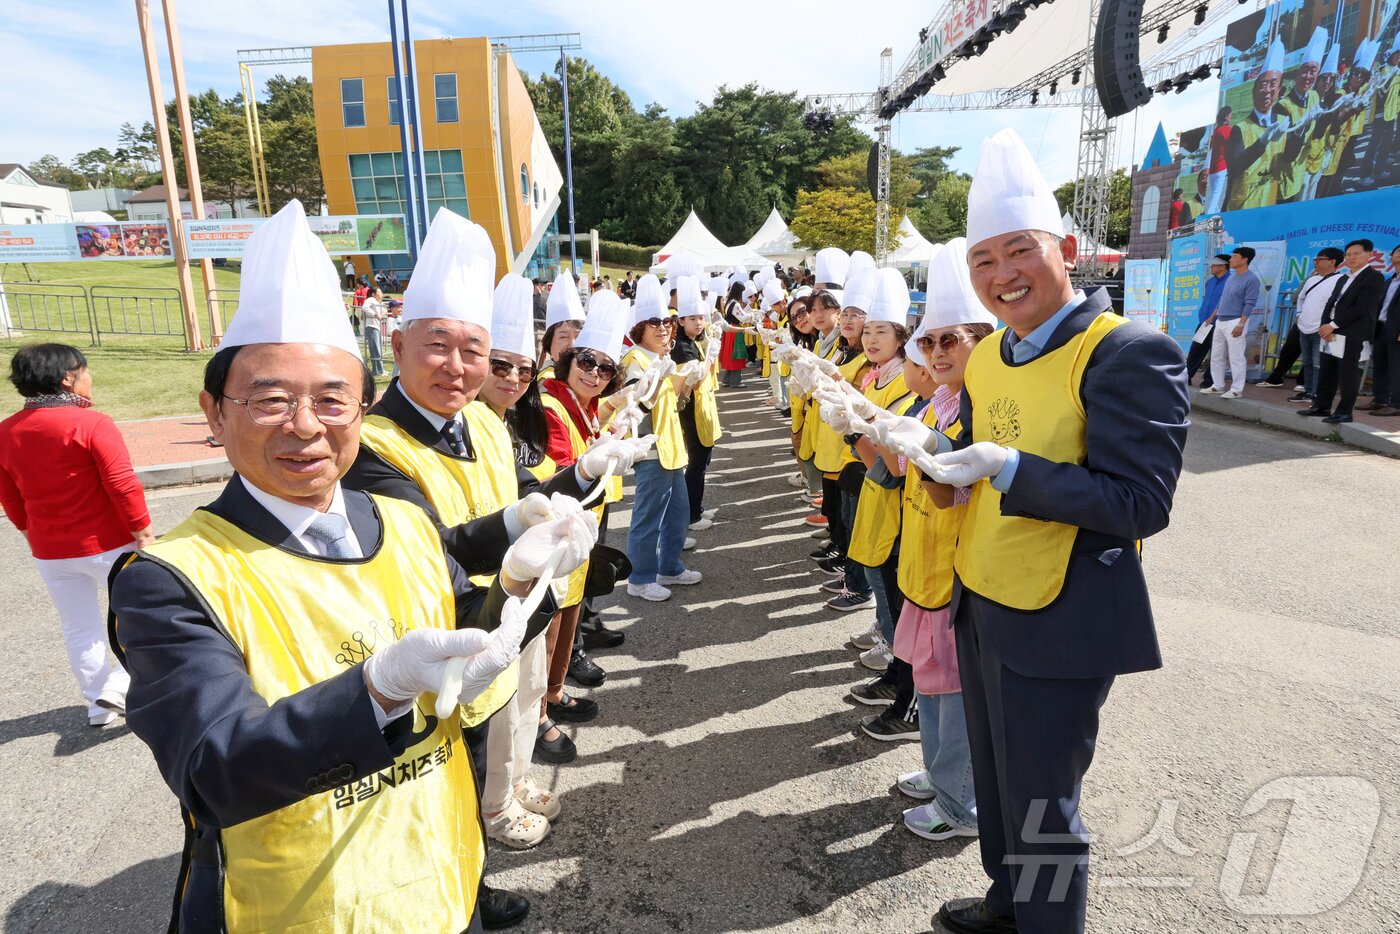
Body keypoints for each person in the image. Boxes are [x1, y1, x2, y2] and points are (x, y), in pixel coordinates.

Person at [109, 200, 598, 932]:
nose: (306, 425)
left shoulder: (401, 522)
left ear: (359, 406)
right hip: (302, 908)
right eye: (270, 399)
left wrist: (519, 584)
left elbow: (460, 651)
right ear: (215, 413)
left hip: (439, 878)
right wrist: (374, 690)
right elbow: (214, 769)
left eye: (331, 399)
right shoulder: (170, 577)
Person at [901, 128, 1188, 934]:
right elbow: (977, 456)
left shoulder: (1128, 351)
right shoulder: (989, 357)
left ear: (1066, 248)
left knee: (1045, 806)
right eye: (983, 261)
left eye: (1017, 252)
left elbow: (1140, 503)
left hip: (1063, 615)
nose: (1000, 276)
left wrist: (1011, 469)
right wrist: (941, 461)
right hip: (982, 596)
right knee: (997, 784)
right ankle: (1007, 903)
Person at [343, 209, 645, 926]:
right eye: (438, 344)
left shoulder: (478, 420)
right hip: (435, 646)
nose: (459, 366)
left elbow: (524, 501)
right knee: (437, 789)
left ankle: (468, 887)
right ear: (396, 342)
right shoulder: (374, 445)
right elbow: (436, 544)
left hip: (500, 623)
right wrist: (517, 534)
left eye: (473, 350)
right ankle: (462, 898)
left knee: (472, 776)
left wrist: (579, 480)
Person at [890, 240, 996, 843]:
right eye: (926, 342)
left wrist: (927, 454)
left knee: (954, 693)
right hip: (926, 566)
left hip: (962, 574)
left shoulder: (982, 408)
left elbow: (951, 487)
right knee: (931, 682)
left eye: (949, 339)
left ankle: (962, 805)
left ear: (982, 339)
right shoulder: (939, 401)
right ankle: (940, 775)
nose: (935, 353)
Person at [0, 344, 153, 727]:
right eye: (84, 370)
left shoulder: (5, 432)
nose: (90, 377)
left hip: (50, 548)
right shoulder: (92, 424)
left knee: (78, 625)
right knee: (141, 616)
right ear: (67, 377)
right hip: (110, 542)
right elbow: (121, 483)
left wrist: (27, 531)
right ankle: (124, 688)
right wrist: (143, 530)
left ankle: (99, 703)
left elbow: (9, 494)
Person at [622, 274, 698, 602]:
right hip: (650, 450)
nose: (663, 327)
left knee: (678, 513)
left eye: (667, 321)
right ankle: (639, 578)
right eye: (654, 322)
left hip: (671, 448)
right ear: (639, 327)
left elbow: (673, 401)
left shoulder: (658, 358)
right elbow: (638, 401)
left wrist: (688, 380)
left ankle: (669, 566)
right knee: (649, 516)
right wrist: (663, 376)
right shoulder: (634, 360)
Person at [1303, 238, 1388, 423]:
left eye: (1356, 254)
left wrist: (1332, 325)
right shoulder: (1343, 277)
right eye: (1348, 254)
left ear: (1369, 255)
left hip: (1352, 333)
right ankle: (1321, 406)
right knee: (1327, 370)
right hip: (1330, 332)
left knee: (1347, 373)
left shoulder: (1374, 277)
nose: (1351, 257)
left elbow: (1362, 307)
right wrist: (1325, 325)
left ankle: (1344, 412)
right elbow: (1331, 303)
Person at [670, 277, 724, 532]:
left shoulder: (691, 342)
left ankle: (697, 507)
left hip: (702, 411)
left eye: (701, 318)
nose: (699, 323)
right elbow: (696, 380)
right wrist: (711, 356)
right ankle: (691, 515)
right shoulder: (682, 348)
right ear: (681, 321)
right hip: (690, 415)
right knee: (696, 464)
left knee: (702, 462)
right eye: (692, 318)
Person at [1258, 248, 1342, 399]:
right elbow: (1300, 298)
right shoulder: (1311, 279)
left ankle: (1318, 394)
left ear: (1332, 262)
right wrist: (1299, 314)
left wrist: (1331, 324)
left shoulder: (1341, 280)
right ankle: (1308, 391)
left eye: (1319, 259)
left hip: (1323, 329)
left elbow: (1341, 305)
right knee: (1308, 362)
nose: (1315, 263)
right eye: (1315, 260)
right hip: (1304, 327)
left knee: (1319, 364)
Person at [1225, 37, 1288, 211]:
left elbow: (1288, 159)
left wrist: (1301, 131)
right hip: (1241, 209)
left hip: (1269, 208)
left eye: (1273, 85)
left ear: (1279, 89)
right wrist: (1261, 142)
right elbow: (1236, 166)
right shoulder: (1240, 128)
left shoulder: (1284, 123)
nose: (1267, 90)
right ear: (1253, 91)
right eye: (1263, 84)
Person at [1275, 28, 1328, 205]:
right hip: (1283, 177)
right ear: (1297, 73)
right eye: (1304, 70)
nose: (1308, 76)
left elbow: (1317, 135)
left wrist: (1323, 119)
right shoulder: (1283, 106)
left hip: (1301, 173)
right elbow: (1287, 154)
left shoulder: (1314, 97)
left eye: (1313, 71)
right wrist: (1303, 125)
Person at [1202, 247, 1262, 399]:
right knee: (1216, 355)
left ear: (1244, 260)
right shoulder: (1231, 277)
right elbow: (1222, 300)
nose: (1230, 259)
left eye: (1234, 256)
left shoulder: (1252, 279)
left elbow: (1249, 304)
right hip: (1221, 320)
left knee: (1236, 356)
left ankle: (1236, 389)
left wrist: (1241, 324)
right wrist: (1212, 317)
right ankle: (1217, 385)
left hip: (1236, 320)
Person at [1361, 244, 1400, 415]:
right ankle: (1380, 399)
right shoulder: (1389, 281)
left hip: (1397, 330)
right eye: (1397, 251)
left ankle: (1397, 403)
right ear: (1391, 257)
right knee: (1380, 365)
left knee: (1397, 367)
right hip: (1382, 328)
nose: (1398, 254)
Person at [1185, 255, 1231, 387]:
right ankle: (1186, 375)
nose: (1211, 267)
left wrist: (1213, 317)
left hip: (1219, 322)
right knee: (1196, 350)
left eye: (1214, 265)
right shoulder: (1210, 282)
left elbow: (1223, 302)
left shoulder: (1230, 281)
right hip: (1204, 322)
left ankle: (1209, 379)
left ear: (1222, 266)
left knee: (1217, 353)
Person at [540, 270, 586, 380]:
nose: (572, 344)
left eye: (578, 336)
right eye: (563, 337)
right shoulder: (547, 381)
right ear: (549, 344)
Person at [1203, 106, 1233, 214]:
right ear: (1226, 116)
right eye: (1230, 115)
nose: (1231, 117)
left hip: (1214, 169)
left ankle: (1215, 218)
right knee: (1216, 197)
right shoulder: (1226, 130)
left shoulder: (1216, 131)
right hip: (1221, 167)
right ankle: (1208, 219)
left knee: (1214, 198)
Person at [361, 286, 388, 377]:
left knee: (377, 349)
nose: (381, 294)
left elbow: (383, 313)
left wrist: (382, 312)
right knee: (375, 349)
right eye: (379, 292)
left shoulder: (376, 302)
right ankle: (378, 371)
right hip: (371, 327)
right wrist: (375, 314)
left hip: (376, 327)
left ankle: (379, 370)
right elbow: (364, 307)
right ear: (373, 294)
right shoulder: (371, 299)